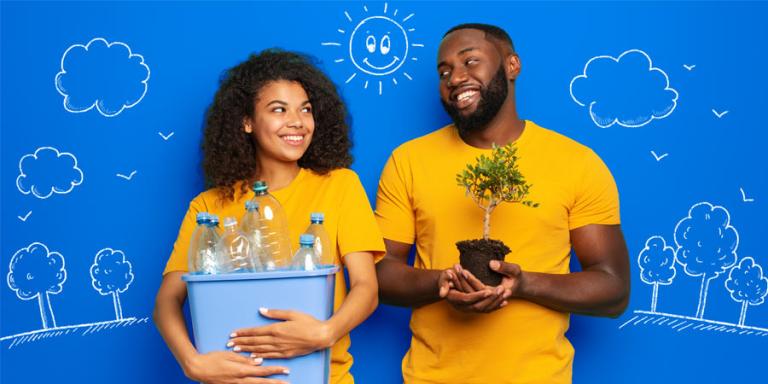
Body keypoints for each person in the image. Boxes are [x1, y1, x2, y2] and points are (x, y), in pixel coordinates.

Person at [374, 23, 630, 383]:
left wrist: (524, 284)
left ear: (512, 66)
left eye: (470, 61)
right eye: (444, 71)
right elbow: (380, 273)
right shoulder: (408, 161)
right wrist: (443, 283)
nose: (455, 78)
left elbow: (613, 289)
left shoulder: (577, 163)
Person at [154, 49, 384, 384]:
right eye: (279, 110)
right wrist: (193, 363)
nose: (297, 122)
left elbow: (366, 287)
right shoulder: (208, 207)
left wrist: (325, 332)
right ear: (246, 121)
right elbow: (166, 301)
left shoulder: (340, 186)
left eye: (305, 110)